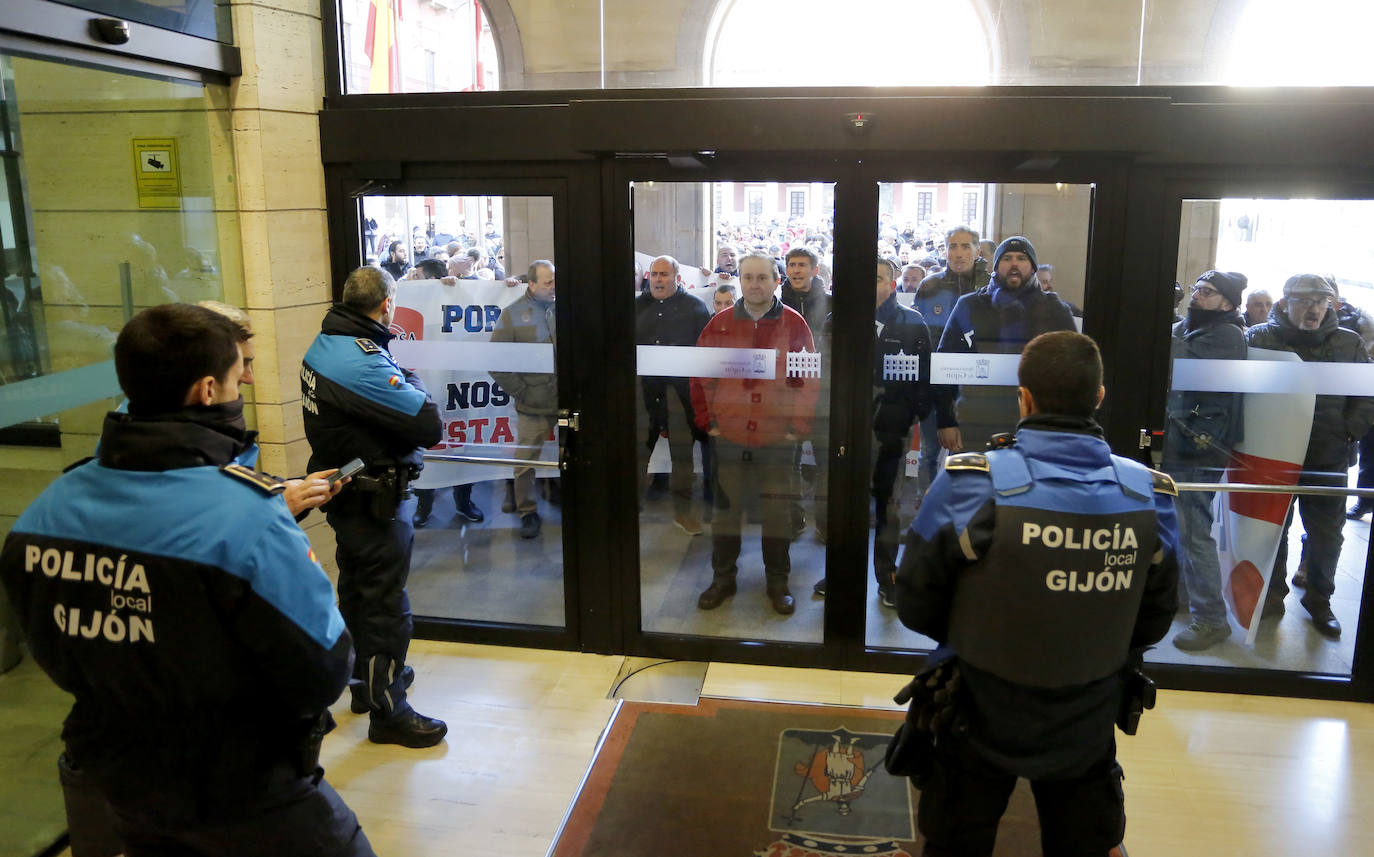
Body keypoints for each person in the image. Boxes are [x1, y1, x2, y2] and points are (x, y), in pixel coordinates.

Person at [1, 304, 375, 856]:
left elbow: (51, 648)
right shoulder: (247, 518)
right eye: (236, 372)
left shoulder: (44, 512)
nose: (245, 382)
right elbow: (322, 671)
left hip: (122, 780)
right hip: (245, 788)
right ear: (206, 390)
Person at [895, 330, 1180, 857]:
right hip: (1089, 711)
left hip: (976, 708)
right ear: (1099, 397)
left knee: (956, 839)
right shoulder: (1150, 496)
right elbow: (1156, 618)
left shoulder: (969, 483)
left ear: (1022, 397)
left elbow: (913, 600)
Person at [301, 266, 448, 747]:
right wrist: (410, 378)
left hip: (351, 495)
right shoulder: (359, 358)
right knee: (385, 603)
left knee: (358, 591)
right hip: (374, 499)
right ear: (387, 304)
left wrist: (398, 375)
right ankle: (390, 711)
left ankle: (366, 684)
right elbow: (428, 422)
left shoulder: (327, 341)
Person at [1246, 274, 1374, 639]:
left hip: (1327, 456)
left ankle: (1320, 600)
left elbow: (1367, 396)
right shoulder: (1261, 338)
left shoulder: (1349, 343)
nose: (1313, 307)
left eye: (1321, 300)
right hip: (1274, 454)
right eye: (1304, 300)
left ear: (1330, 305)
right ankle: (1271, 596)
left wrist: (1348, 430)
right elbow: (1240, 392)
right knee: (1272, 530)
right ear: (1285, 303)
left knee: (1327, 534)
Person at [691, 252, 819, 615]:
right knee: (726, 514)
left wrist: (797, 427)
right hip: (729, 436)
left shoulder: (795, 325)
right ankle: (723, 579)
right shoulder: (719, 324)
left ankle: (778, 583)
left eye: (762, 277)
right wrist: (709, 421)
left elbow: (807, 379)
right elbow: (700, 375)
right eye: (748, 278)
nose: (755, 284)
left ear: (776, 280)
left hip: (777, 440)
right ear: (739, 280)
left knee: (777, 514)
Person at [814, 258, 941, 607]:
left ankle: (887, 578)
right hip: (847, 434)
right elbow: (825, 379)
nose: (870, 285)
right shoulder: (836, 322)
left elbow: (925, 379)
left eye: (878, 278)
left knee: (889, 508)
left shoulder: (914, 324)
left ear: (893, 284)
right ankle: (841, 573)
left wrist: (908, 414)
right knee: (845, 506)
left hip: (892, 435)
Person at [1163, 271, 1248, 651]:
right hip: (1184, 441)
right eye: (1197, 289)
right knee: (1182, 529)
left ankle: (1212, 619)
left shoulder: (1228, 334)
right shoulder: (1193, 325)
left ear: (1228, 304)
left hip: (1201, 447)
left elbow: (1177, 363)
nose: (1197, 296)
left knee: (1195, 533)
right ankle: (1185, 599)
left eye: (1208, 292)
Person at [936, 236, 1076, 454]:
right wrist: (946, 422)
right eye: (1007, 258)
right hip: (975, 425)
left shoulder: (1055, 310)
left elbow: (1073, 370)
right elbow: (944, 368)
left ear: (1032, 267)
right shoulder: (969, 305)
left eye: (1021, 258)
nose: (1014, 264)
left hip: (1037, 426)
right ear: (996, 265)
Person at [636, 255, 713, 535]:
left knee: (682, 457)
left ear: (677, 277)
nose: (658, 279)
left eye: (664, 274)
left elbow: (705, 352)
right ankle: (628, 511)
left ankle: (683, 514)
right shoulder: (634, 307)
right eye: (654, 274)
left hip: (680, 397)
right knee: (637, 454)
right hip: (643, 395)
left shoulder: (695, 307)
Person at [490, 260, 559, 539]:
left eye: (555, 281)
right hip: (533, 403)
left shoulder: (566, 309)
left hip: (567, 402)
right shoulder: (513, 314)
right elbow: (497, 361)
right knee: (526, 461)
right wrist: (522, 390)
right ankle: (527, 511)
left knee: (575, 456)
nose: (554, 286)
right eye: (548, 282)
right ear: (531, 284)